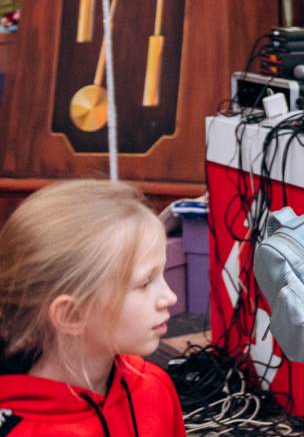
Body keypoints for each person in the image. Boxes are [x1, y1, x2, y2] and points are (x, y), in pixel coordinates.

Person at [0, 180, 185, 436]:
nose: (170, 297)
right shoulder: (25, 430)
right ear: (71, 315)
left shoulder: (154, 388)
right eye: (145, 283)